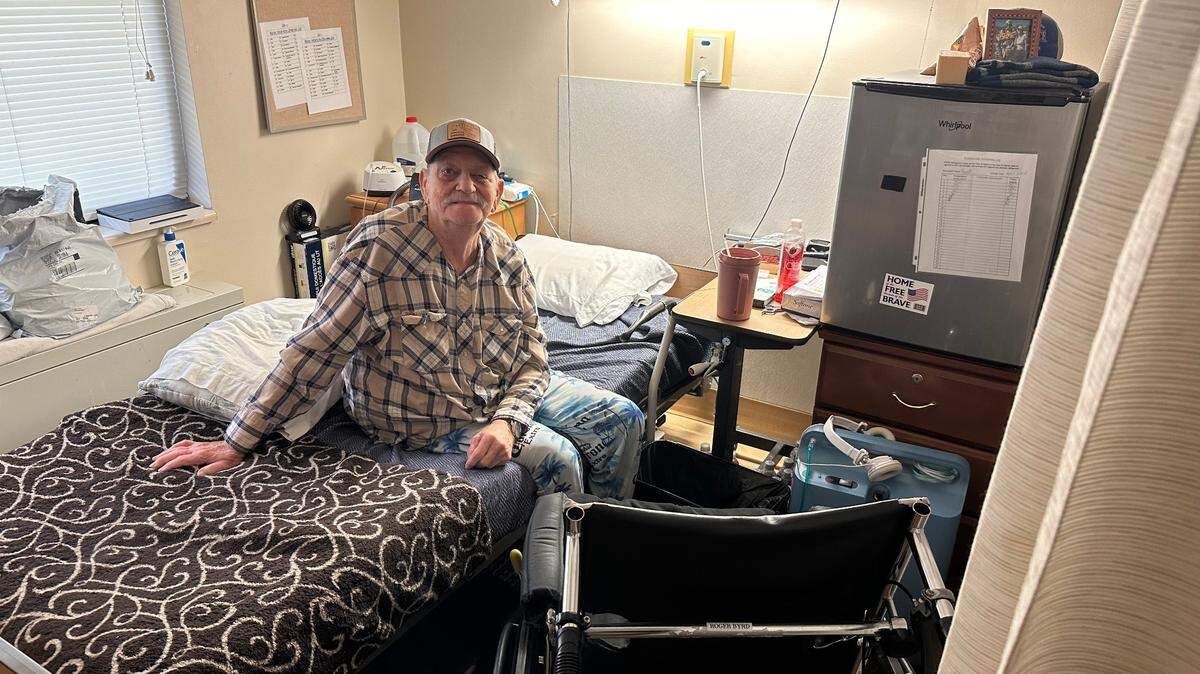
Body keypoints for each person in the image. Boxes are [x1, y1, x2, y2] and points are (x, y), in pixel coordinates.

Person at [151, 118, 643, 498]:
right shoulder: (378, 250)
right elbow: (314, 351)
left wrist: (508, 421)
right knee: (557, 457)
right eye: (448, 172)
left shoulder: (507, 257)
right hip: (423, 414)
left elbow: (533, 358)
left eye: (480, 176)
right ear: (422, 185)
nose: (464, 186)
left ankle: (598, 547)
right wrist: (239, 440)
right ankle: (558, 605)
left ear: (497, 193)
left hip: (494, 391)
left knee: (622, 418)